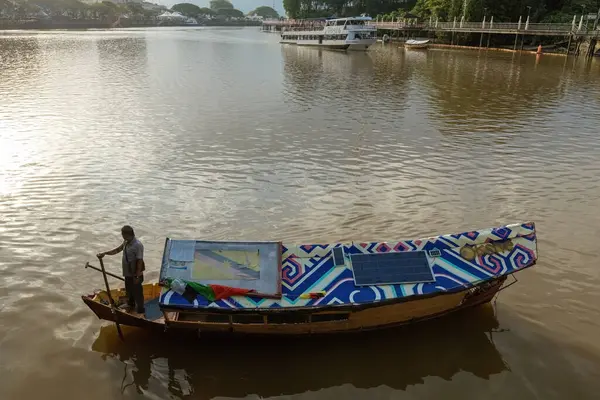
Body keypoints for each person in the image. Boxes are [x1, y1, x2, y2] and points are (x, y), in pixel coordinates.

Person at [97, 225, 145, 314]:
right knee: (129, 290)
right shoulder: (126, 242)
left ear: (126, 234)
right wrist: (105, 253)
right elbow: (117, 250)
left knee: (137, 293)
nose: (122, 236)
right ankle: (131, 304)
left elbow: (140, 260)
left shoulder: (138, 245)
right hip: (128, 273)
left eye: (122, 234)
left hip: (135, 274)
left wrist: (137, 276)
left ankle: (141, 311)